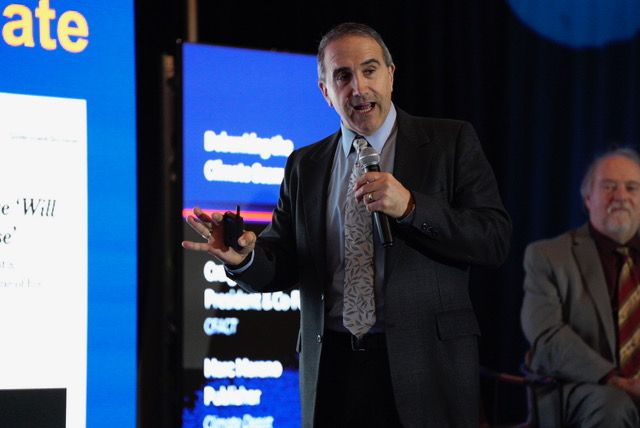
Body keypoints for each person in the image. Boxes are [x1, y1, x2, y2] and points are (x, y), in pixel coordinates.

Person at [183, 22, 511, 427]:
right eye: (342, 76)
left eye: (370, 70)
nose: (359, 87)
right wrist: (244, 259)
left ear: (391, 75)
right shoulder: (305, 164)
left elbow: (493, 240)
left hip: (425, 364)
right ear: (326, 91)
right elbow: (284, 260)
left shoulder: (449, 142)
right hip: (333, 366)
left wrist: (411, 207)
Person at [521, 148, 640, 427]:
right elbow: (547, 337)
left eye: (632, 188)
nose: (621, 196)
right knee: (614, 406)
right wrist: (615, 380)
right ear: (588, 198)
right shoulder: (549, 256)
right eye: (609, 187)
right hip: (582, 388)